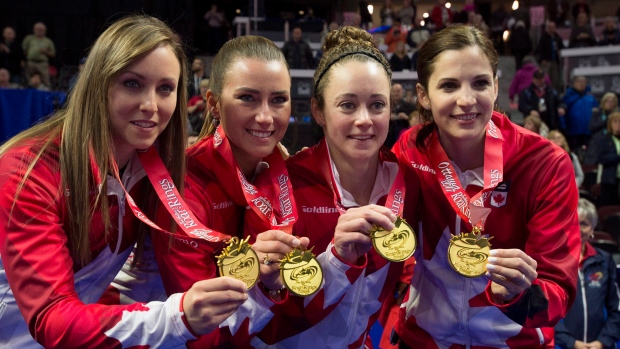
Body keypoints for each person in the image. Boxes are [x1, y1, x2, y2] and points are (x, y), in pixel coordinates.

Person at [0, 15, 249, 348]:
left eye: (165, 89)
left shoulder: (150, 165)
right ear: (99, 84)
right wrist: (178, 318)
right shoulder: (27, 170)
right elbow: (52, 319)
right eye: (132, 83)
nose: (150, 106)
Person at [392, 25, 580, 348]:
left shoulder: (545, 163)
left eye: (479, 83)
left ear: (495, 87)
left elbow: (559, 291)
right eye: (449, 85)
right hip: (424, 340)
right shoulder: (409, 151)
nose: (466, 100)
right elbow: (391, 247)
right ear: (423, 94)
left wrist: (520, 295)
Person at [245, 25, 410, 349]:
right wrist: (336, 260)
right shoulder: (278, 186)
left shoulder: (407, 182)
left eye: (377, 105)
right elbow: (260, 320)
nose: (364, 119)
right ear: (319, 111)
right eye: (347, 105)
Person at [151, 34, 309, 347]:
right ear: (213, 105)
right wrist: (264, 287)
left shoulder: (283, 172)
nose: (265, 117)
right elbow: (201, 334)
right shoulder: (184, 187)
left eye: (278, 99)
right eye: (248, 98)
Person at [554, 198, 620, 349]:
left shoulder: (604, 261)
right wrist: (571, 343)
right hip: (563, 346)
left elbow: (616, 307)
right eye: (573, 222)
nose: (577, 228)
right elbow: (546, 310)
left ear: (592, 228)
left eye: (584, 224)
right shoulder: (555, 260)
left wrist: (602, 342)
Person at [563, 75, 599, 153]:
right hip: (573, 132)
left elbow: (597, 113)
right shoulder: (567, 98)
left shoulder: (591, 98)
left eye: (583, 82)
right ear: (574, 83)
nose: (581, 84)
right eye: (579, 81)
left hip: (588, 132)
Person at [592, 112, 620, 206]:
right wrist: (617, 157)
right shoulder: (604, 139)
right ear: (610, 124)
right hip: (610, 180)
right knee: (609, 206)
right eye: (615, 122)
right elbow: (600, 158)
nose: (618, 124)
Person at [21, 22, 55, 88]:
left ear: (45, 31)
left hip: (42, 64)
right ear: (34, 30)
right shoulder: (29, 38)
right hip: (30, 62)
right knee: (28, 80)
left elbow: (53, 54)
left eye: (41, 30)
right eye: (38, 29)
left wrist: (46, 52)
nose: (40, 31)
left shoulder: (48, 41)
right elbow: (23, 50)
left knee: (46, 81)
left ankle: (47, 94)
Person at [536, 20, 565, 93]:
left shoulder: (557, 37)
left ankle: (554, 92)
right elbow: (539, 49)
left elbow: (562, 47)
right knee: (545, 77)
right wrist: (542, 59)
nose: (552, 29)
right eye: (550, 28)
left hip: (555, 61)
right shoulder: (544, 38)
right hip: (546, 61)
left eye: (553, 28)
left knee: (555, 79)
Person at [385, 82, 415, 148]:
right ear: (391, 93)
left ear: (402, 92)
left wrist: (407, 118)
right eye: (394, 91)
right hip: (388, 139)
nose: (396, 93)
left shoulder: (410, 106)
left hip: (406, 138)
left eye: (398, 91)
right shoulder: (385, 106)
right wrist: (387, 118)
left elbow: (416, 122)